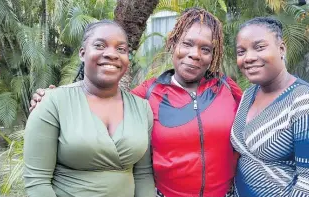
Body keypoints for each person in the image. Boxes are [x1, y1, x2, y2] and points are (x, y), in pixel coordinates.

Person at [29, 8, 243, 197]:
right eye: (186, 43)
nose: (194, 54)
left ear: (213, 54)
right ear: (172, 44)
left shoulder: (228, 89)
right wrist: (54, 97)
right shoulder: (147, 94)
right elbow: (103, 97)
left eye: (206, 49)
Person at [23, 19, 155, 197]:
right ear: (82, 53)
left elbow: (143, 175)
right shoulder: (52, 103)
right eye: (100, 45)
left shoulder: (141, 108)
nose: (111, 54)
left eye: (121, 49)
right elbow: (37, 181)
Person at [231, 17, 309, 197]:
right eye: (241, 51)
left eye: (259, 47)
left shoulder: (308, 104)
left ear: (281, 49)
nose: (249, 58)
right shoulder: (248, 95)